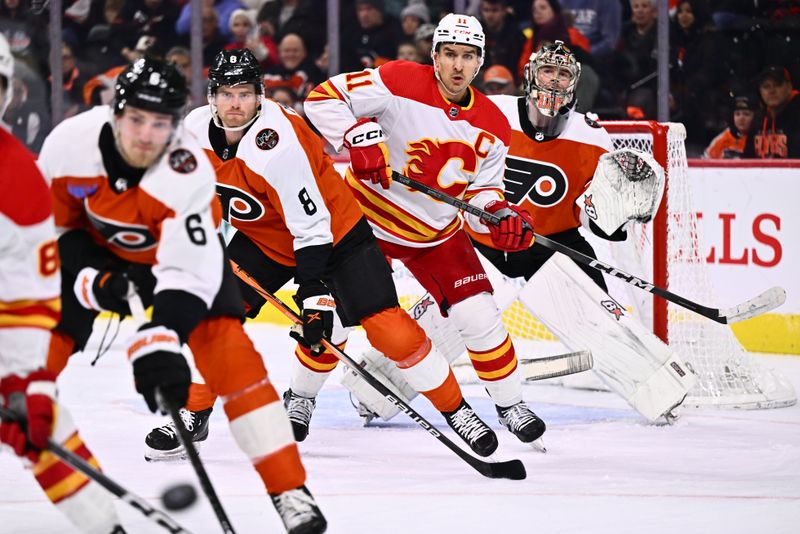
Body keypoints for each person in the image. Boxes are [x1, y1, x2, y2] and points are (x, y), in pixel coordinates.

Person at [155, 48, 499, 460]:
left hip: (334, 236)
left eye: (244, 94)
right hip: (265, 239)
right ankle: (193, 412)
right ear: (211, 97)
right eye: (226, 94)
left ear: (260, 96)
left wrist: (314, 296)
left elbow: (311, 227)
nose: (235, 104)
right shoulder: (192, 130)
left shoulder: (276, 143)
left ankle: (457, 411)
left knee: (391, 330)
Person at [37, 57, 327, 534]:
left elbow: (188, 274)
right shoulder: (69, 145)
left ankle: (288, 488)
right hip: (90, 253)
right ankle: (93, 516)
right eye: (137, 120)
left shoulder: (187, 167)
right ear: (116, 111)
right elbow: (54, 233)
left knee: (234, 359)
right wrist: (93, 280)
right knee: (30, 368)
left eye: (162, 123)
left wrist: (163, 337)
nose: (148, 135)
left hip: (171, 259)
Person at [346, 41, 696, 426]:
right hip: (480, 241)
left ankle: (662, 393)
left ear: (576, 83)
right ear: (531, 74)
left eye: (564, 74)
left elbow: (596, 222)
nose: (555, 80)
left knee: (601, 323)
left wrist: (618, 213)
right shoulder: (491, 112)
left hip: (551, 244)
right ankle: (373, 391)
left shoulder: (593, 137)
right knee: (445, 320)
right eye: (548, 71)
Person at [305, 14, 546, 446]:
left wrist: (500, 216)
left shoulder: (493, 123)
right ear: (434, 56)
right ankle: (300, 397)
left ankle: (510, 404)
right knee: (328, 320)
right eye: (449, 54)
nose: (457, 65)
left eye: (468, 56)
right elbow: (322, 99)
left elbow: (482, 193)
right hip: (365, 222)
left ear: (480, 62)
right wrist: (355, 137)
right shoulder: (397, 79)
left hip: (435, 235)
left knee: (480, 316)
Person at [0, 34, 126, 534]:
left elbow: (26, 292)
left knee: (43, 419)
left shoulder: (20, 179)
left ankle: (105, 526)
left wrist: (24, 376)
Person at [744, 66, 800, 159]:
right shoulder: (758, 119)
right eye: (766, 86)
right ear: (760, 91)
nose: (772, 91)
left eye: (777, 85)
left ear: (789, 87)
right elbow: (747, 159)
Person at [703, 94, 755, 159]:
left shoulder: (761, 137)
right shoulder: (722, 139)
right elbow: (705, 163)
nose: (741, 118)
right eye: (737, 114)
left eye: (746, 114)